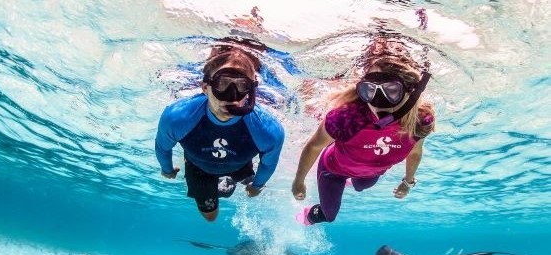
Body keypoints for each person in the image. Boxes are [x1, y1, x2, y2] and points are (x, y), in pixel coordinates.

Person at [291, 36, 435, 225]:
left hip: (371, 173)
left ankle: (352, 181)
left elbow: (415, 152)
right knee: (328, 216)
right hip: (334, 169)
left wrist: (407, 182)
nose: (377, 102)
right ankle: (306, 216)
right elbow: (315, 146)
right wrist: (299, 180)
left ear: (412, 92)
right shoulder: (346, 118)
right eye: (369, 90)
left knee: (360, 187)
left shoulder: (420, 122)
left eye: (391, 91)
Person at [155, 40, 285, 222]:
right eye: (222, 84)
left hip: (241, 164)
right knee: (210, 217)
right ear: (205, 87)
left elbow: (269, 164)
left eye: (241, 86)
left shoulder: (268, 130)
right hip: (198, 168)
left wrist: (258, 186)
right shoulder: (177, 117)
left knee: (258, 191)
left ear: (251, 90)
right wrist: (166, 169)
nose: (231, 98)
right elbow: (163, 147)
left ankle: (236, 181)